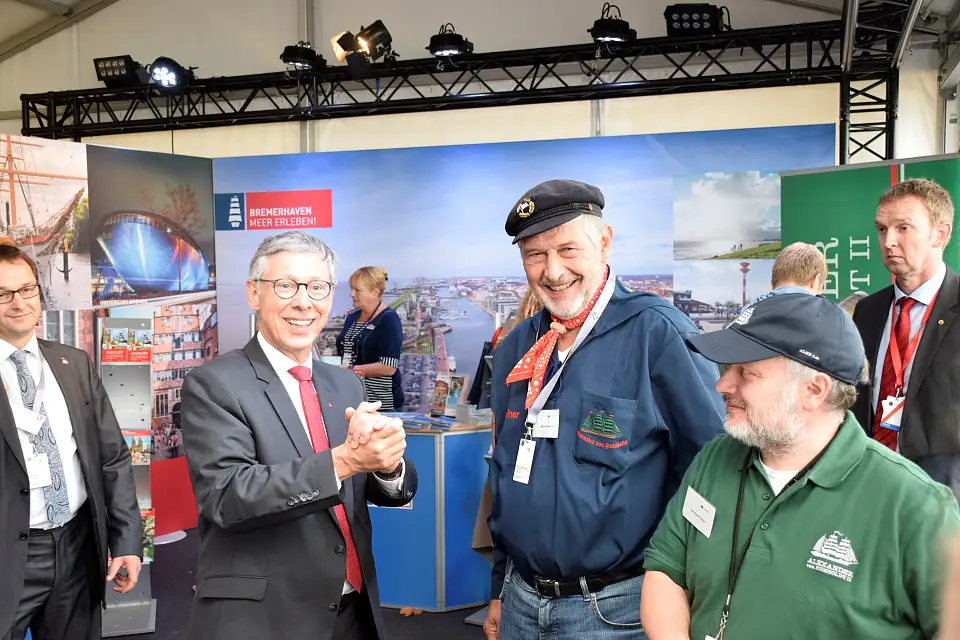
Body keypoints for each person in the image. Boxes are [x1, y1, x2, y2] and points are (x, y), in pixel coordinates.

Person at [484, 179, 725, 639]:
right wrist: (499, 585)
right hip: (520, 602)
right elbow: (504, 472)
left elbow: (712, 471)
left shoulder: (657, 334)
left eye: (568, 249)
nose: (552, 271)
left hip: (614, 610)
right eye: (535, 255)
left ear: (604, 242)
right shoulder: (520, 347)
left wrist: (690, 595)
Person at [640, 293, 960, 639]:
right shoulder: (716, 458)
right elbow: (666, 571)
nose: (722, 385)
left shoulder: (916, 508)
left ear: (813, 390)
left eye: (746, 372)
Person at [181, 232, 417, 640]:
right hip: (266, 619)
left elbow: (364, 489)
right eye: (286, 286)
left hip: (352, 612)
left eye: (318, 287)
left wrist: (388, 464)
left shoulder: (346, 385)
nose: (303, 302)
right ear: (254, 294)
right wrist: (347, 460)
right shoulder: (214, 384)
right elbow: (227, 497)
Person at [0, 245, 142, 640]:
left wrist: (127, 540)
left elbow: (111, 457)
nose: (18, 303)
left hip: (76, 546)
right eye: (2, 294)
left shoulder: (73, 362)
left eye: (27, 290)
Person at [850, 178, 960, 499]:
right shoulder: (868, 311)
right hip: (869, 487)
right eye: (882, 229)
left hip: (943, 498)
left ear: (940, 233)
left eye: (904, 228)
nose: (889, 241)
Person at [337, 266, 404, 411]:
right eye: (351, 288)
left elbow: (389, 367)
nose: (351, 294)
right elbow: (345, 354)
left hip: (380, 403)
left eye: (357, 290)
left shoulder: (389, 320)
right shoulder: (351, 318)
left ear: (374, 292)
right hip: (352, 398)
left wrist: (350, 371)